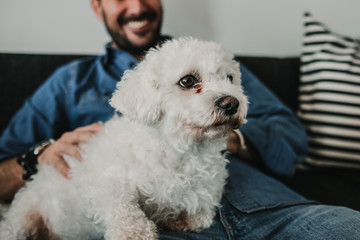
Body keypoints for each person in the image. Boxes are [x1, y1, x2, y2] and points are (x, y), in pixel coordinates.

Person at [1, 0, 360, 239]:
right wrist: (35, 158)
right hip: (147, 225)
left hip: (267, 211)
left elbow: (292, 139)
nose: (137, 6)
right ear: (97, 6)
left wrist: (227, 135)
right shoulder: (69, 82)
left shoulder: (216, 61)